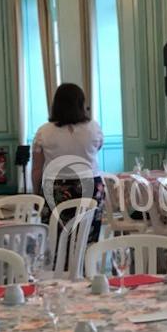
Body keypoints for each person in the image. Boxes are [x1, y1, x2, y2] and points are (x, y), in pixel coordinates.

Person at [31, 83, 106, 246]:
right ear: (81, 104)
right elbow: (98, 147)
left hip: (56, 188)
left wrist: (37, 193)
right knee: (87, 237)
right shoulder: (94, 128)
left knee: (58, 240)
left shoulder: (43, 131)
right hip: (90, 186)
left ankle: (60, 268)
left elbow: (37, 168)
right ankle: (86, 267)